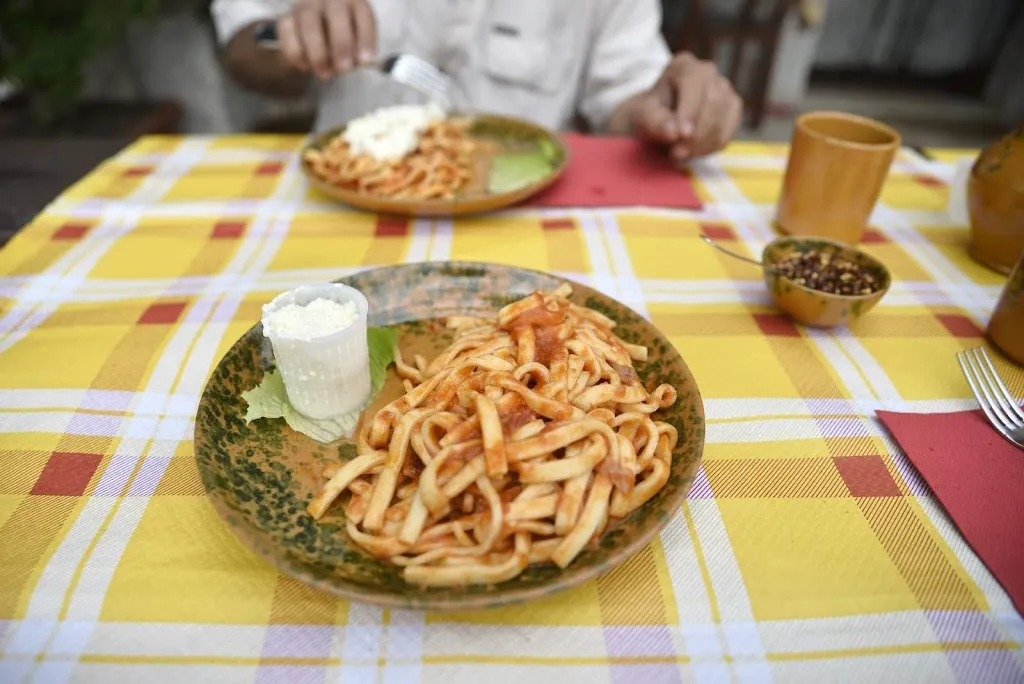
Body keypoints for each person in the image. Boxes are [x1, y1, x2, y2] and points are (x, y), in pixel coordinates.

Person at [211, 0, 743, 163]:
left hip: (521, 217)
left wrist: (666, 108)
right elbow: (244, 42)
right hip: (342, 200)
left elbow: (625, 94)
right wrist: (287, 39)